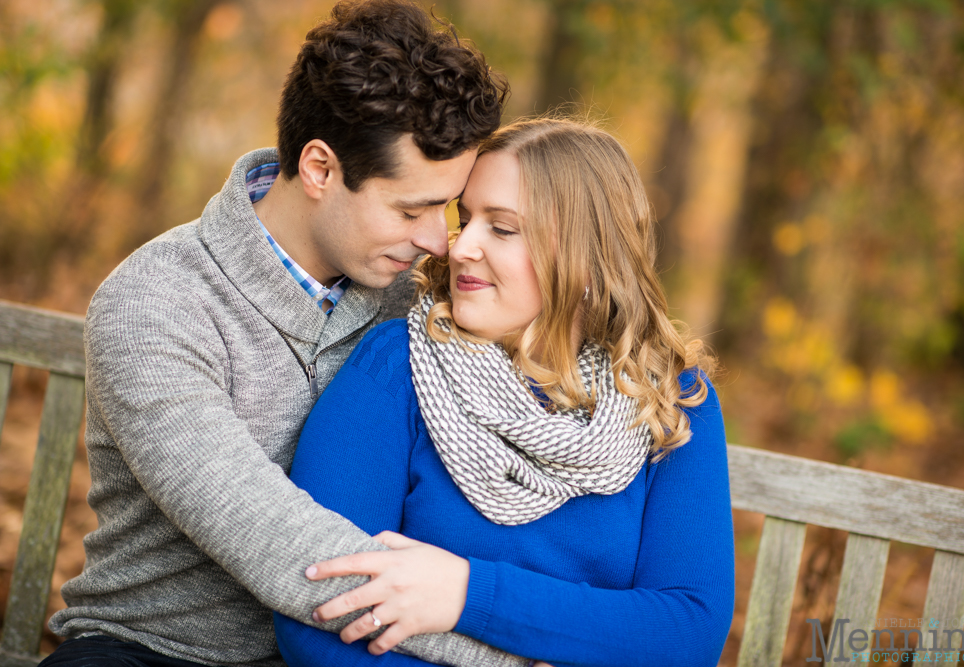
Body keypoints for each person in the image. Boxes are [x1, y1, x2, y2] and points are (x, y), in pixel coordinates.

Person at [40, 2, 526, 666]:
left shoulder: (416, 304)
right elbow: (271, 538)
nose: (435, 241)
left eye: (443, 209)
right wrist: (509, 653)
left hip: (349, 654)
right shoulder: (156, 301)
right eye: (410, 208)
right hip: (150, 647)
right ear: (321, 169)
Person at [273, 118, 736, 667]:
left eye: (503, 228)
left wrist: (468, 594)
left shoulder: (670, 401)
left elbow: (687, 630)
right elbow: (319, 616)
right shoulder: (397, 366)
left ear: (588, 260)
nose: (460, 246)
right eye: (465, 220)